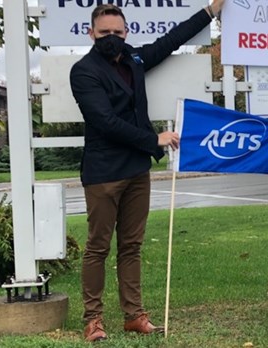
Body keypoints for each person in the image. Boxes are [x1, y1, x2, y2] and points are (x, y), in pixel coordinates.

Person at [70, 1, 224, 341]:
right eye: (103, 32)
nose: (111, 37)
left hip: (137, 169)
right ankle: (93, 319)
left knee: (131, 246)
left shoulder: (135, 59)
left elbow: (171, 40)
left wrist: (210, 12)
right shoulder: (83, 71)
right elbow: (105, 122)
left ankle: (134, 315)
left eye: (116, 31)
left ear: (127, 32)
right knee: (98, 247)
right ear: (90, 33)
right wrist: (154, 138)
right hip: (104, 172)